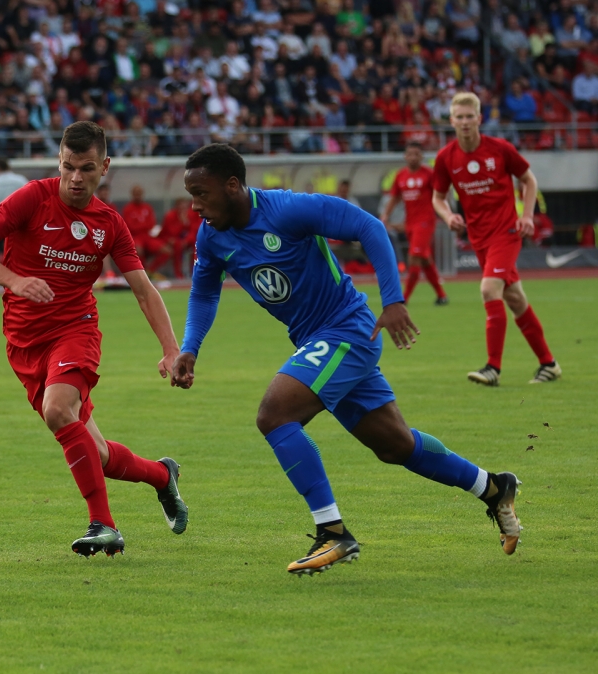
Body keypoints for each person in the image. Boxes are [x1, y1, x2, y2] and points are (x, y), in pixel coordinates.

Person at [172, 143, 523, 576]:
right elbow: (204, 292)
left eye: (201, 193)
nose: (195, 206)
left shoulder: (288, 210)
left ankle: (332, 531)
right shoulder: (211, 236)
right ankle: (493, 488)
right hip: (316, 340)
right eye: (191, 195)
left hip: (348, 330)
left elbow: (367, 226)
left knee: (275, 415)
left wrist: (392, 300)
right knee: (396, 445)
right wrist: (190, 346)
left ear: (231, 186)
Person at [0, 121, 188, 557]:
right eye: (68, 167)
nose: (76, 178)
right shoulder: (32, 198)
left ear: (105, 166)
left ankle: (104, 525)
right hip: (25, 342)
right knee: (96, 454)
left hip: (75, 329)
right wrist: (15, 280)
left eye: (86, 168)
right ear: (58, 162)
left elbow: (144, 290)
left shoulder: (109, 224)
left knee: (58, 409)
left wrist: (171, 349)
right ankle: (163, 476)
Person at [431, 92, 561, 386]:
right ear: (451, 121)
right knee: (515, 299)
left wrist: (527, 216)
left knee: (489, 289)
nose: (465, 122)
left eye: (470, 116)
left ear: (480, 118)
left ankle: (493, 368)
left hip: (506, 232)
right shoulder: (446, 157)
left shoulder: (500, 149)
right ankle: (549, 364)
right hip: (479, 239)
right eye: (460, 117)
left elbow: (528, 180)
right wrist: (448, 216)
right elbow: (437, 198)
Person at [381, 142, 448, 305]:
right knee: (424, 259)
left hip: (425, 222)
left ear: (422, 156)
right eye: (410, 154)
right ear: (405, 156)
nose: (413, 157)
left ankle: (404, 298)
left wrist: (447, 214)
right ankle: (441, 296)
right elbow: (395, 198)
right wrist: (385, 215)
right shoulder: (401, 175)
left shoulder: (429, 174)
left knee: (414, 257)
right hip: (410, 223)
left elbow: (440, 196)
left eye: (416, 154)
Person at [147, 197, 198, 278]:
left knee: (196, 245)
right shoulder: (170, 215)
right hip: (167, 238)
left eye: (185, 207)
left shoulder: (189, 215)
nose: (184, 209)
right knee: (176, 246)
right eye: (181, 207)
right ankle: (177, 273)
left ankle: (194, 272)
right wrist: (183, 222)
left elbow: (192, 231)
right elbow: (172, 232)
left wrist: (186, 240)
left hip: (182, 240)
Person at [120, 184, 162, 267]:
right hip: (134, 237)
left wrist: (140, 226)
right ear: (132, 194)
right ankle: (143, 270)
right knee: (138, 250)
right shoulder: (127, 209)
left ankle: (151, 270)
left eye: (139, 193)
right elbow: (129, 226)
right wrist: (143, 226)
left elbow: (152, 224)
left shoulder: (148, 207)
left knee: (166, 250)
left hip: (147, 236)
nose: (138, 195)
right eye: (136, 193)